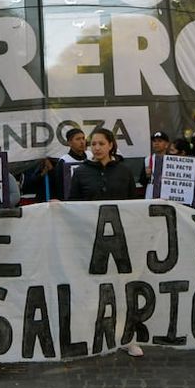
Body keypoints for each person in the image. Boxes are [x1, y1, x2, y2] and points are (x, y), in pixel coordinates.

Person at [67, 128, 141, 356]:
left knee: (122, 287)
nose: (96, 148)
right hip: (90, 239)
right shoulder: (80, 173)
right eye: (93, 144)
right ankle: (92, 336)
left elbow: (132, 205)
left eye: (101, 143)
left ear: (111, 145)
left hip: (120, 242)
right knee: (91, 287)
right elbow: (73, 206)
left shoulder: (124, 172)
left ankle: (127, 337)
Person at [53, 127, 89, 200]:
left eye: (83, 138)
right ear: (69, 142)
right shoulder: (64, 161)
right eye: (78, 139)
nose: (82, 142)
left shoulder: (91, 156)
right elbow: (60, 187)